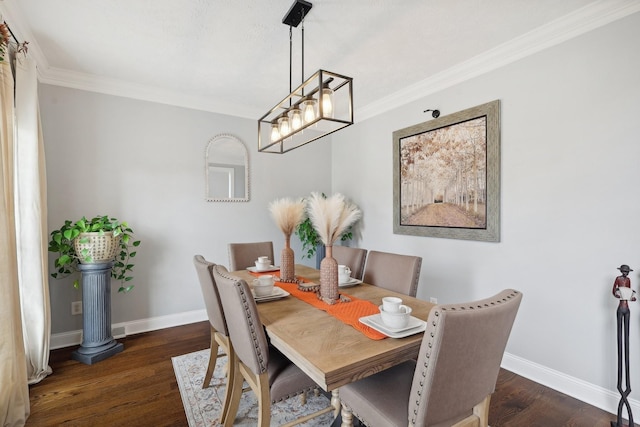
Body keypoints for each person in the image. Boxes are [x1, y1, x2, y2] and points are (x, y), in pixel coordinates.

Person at [612, 264, 635, 427]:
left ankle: (628, 421)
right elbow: (613, 292)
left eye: (627, 271)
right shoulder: (618, 279)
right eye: (624, 271)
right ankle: (620, 421)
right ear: (621, 271)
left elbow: (632, 294)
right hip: (620, 308)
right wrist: (619, 293)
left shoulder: (629, 280)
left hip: (628, 310)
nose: (625, 273)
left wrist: (631, 296)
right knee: (621, 345)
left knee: (626, 342)